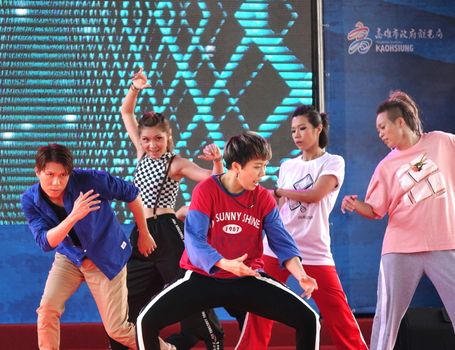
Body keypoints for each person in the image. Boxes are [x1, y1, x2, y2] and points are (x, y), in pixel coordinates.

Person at [136, 131, 321, 350]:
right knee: (145, 321)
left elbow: (282, 241)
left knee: (308, 319)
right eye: (257, 166)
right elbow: (194, 239)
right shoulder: (206, 190)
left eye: (265, 165)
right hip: (202, 278)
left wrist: (301, 275)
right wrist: (225, 263)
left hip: (246, 278)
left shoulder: (262, 197)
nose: (263, 173)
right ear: (236, 166)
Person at [236, 105, 368, 349]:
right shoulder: (287, 165)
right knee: (259, 309)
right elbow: (277, 203)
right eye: (293, 130)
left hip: (313, 249)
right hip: (277, 246)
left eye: (303, 128)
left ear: (318, 129)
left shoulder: (333, 161)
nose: (297, 134)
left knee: (337, 312)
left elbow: (316, 194)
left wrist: (278, 191)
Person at [341, 91, 455, 350]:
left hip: (445, 243)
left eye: (383, 127)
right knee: (387, 317)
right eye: (377, 129)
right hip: (400, 248)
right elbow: (375, 210)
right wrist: (356, 205)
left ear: (400, 122)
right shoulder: (385, 166)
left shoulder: (442, 142)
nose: (380, 133)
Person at [120, 67, 224, 350]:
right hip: (139, 233)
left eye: (158, 139)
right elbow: (126, 113)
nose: (152, 145)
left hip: (166, 231)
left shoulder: (175, 162)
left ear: (168, 138)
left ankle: (214, 339)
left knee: (186, 290)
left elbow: (214, 180)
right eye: (146, 139)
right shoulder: (141, 155)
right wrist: (136, 88)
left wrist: (216, 161)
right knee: (126, 301)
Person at [21, 143, 155, 350]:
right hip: (69, 257)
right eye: (49, 174)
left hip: (106, 256)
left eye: (63, 175)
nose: (56, 182)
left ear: (70, 173)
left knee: (117, 330)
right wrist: (73, 216)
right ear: (37, 172)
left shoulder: (91, 180)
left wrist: (144, 233)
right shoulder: (30, 200)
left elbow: (132, 194)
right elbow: (46, 242)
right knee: (47, 309)